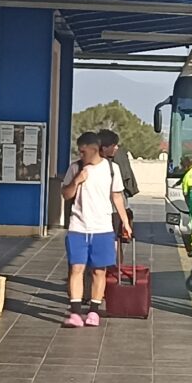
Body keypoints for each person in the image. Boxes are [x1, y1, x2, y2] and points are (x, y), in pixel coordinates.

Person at [57, 131, 132, 327]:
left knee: (100, 271)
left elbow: (117, 197)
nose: (81, 155)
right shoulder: (75, 168)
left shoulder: (111, 169)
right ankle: (75, 312)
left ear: (93, 149)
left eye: (83, 152)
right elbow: (66, 194)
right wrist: (77, 180)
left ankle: (94, 311)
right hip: (78, 227)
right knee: (77, 268)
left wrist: (125, 222)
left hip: (103, 228)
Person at [97, 129, 140, 240]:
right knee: (115, 239)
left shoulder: (113, 166)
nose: (116, 147)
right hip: (107, 211)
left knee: (114, 239)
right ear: (104, 147)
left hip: (110, 210)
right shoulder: (81, 168)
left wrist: (125, 221)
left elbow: (117, 195)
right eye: (114, 145)